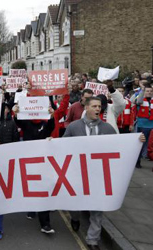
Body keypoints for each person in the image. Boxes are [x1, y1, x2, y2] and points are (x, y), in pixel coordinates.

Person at [63, 96, 146, 250]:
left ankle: (92, 240)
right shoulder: (74, 127)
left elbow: (119, 147)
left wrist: (137, 140)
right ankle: (75, 218)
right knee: (74, 203)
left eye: (99, 107)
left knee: (97, 208)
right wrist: (50, 142)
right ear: (86, 108)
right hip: (78, 174)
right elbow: (63, 146)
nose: (97, 109)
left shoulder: (108, 129)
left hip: (99, 176)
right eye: (94, 106)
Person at [13, 103, 56, 234]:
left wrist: (52, 115)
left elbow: (51, 126)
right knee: (31, 186)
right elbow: (18, 122)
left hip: (44, 161)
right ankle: (31, 208)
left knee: (43, 190)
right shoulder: (26, 123)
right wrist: (16, 113)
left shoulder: (46, 123)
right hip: (29, 160)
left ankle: (45, 224)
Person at [134, 84, 153, 168]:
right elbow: (138, 101)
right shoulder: (140, 99)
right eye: (147, 91)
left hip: (151, 125)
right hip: (142, 126)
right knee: (140, 145)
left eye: (151, 91)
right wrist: (142, 90)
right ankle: (137, 161)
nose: (149, 93)